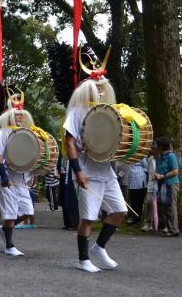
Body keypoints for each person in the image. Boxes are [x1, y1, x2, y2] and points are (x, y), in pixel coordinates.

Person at [63, 52, 126, 273]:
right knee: (88, 218)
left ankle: (99, 247)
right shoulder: (77, 111)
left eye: (102, 87)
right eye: (96, 86)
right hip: (86, 171)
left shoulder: (109, 112)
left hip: (106, 171)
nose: (100, 90)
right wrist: (77, 172)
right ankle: (83, 259)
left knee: (119, 211)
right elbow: (69, 143)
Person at [0, 88, 44, 256]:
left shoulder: (26, 133)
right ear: (11, 115)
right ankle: (9, 246)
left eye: (21, 115)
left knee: (28, 212)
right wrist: (4, 177)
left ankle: (5, 228)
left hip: (20, 178)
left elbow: (29, 156)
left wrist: (33, 173)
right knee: (11, 213)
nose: (20, 117)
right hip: (6, 177)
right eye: (17, 114)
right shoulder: (4, 132)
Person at [154, 137, 179, 237]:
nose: (155, 147)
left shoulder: (171, 156)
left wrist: (163, 176)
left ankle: (174, 229)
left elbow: (175, 171)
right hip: (163, 184)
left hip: (171, 184)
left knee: (171, 206)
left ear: (161, 146)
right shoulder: (160, 157)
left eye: (156, 145)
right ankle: (168, 227)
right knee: (164, 206)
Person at [57, 153, 79, 231]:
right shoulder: (62, 155)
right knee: (64, 202)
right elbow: (59, 167)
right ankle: (67, 223)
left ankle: (73, 224)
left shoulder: (74, 156)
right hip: (63, 179)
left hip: (70, 180)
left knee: (71, 201)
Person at [140, 147, 158, 232]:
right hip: (151, 184)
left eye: (153, 147)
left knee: (163, 204)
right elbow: (149, 172)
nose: (151, 150)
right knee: (148, 202)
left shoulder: (163, 158)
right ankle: (148, 223)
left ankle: (160, 224)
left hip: (161, 183)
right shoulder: (150, 159)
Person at [126, 157, 147, 224]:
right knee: (133, 201)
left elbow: (146, 166)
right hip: (132, 181)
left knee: (139, 201)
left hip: (140, 181)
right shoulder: (129, 154)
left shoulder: (140, 155)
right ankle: (135, 217)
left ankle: (137, 217)